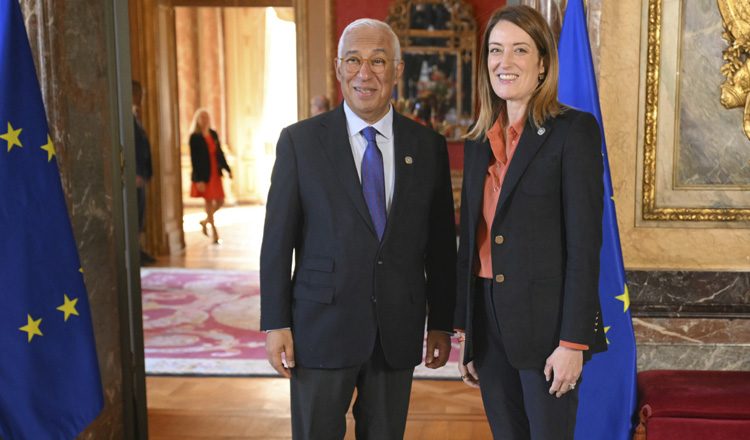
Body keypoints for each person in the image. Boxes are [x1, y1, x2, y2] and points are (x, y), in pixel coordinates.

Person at [260, 18, 457, 440]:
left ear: (398, 70)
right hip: (320, 328)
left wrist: (441, 321)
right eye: (353, 60)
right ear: (338, 68)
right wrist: (276, 322)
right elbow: (277, 242)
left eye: (378, 61)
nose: (364, 73)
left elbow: (441, 245)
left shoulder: (427, 147)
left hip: (396, 331)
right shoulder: (300, 143)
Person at [453, 6, 607, 439]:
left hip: (548, 330)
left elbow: (584, 246)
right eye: (495, 50)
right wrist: (468, 331)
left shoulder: (573, 131)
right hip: (489, 324)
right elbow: (471, 241)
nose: (505, 62)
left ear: (542, 63)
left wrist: (573, 342)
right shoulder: (478, 139)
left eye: (519, 50)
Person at [188, 108, 232, 244]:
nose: (205, 120)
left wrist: (227, 169)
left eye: (206, 117)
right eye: (202, 117)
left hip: (215, 173)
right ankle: (215, 233)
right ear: (197, 120)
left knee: (220, 201)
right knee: (208, 202)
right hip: (204, 174)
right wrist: (199, 179)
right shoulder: (194, 137)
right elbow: (194, 160)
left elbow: (219, 153)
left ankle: (205, 221)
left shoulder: (213, 134)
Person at [132, 81, 155, 265]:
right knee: (134, 217)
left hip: (141, 176)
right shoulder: (127, 119)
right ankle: (135, 253)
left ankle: (138, 250)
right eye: (140, 94)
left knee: (140, 216)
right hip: (135, 176)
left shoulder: (135, 117)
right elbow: (132, 148)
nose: (142, 98)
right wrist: (135, 173)